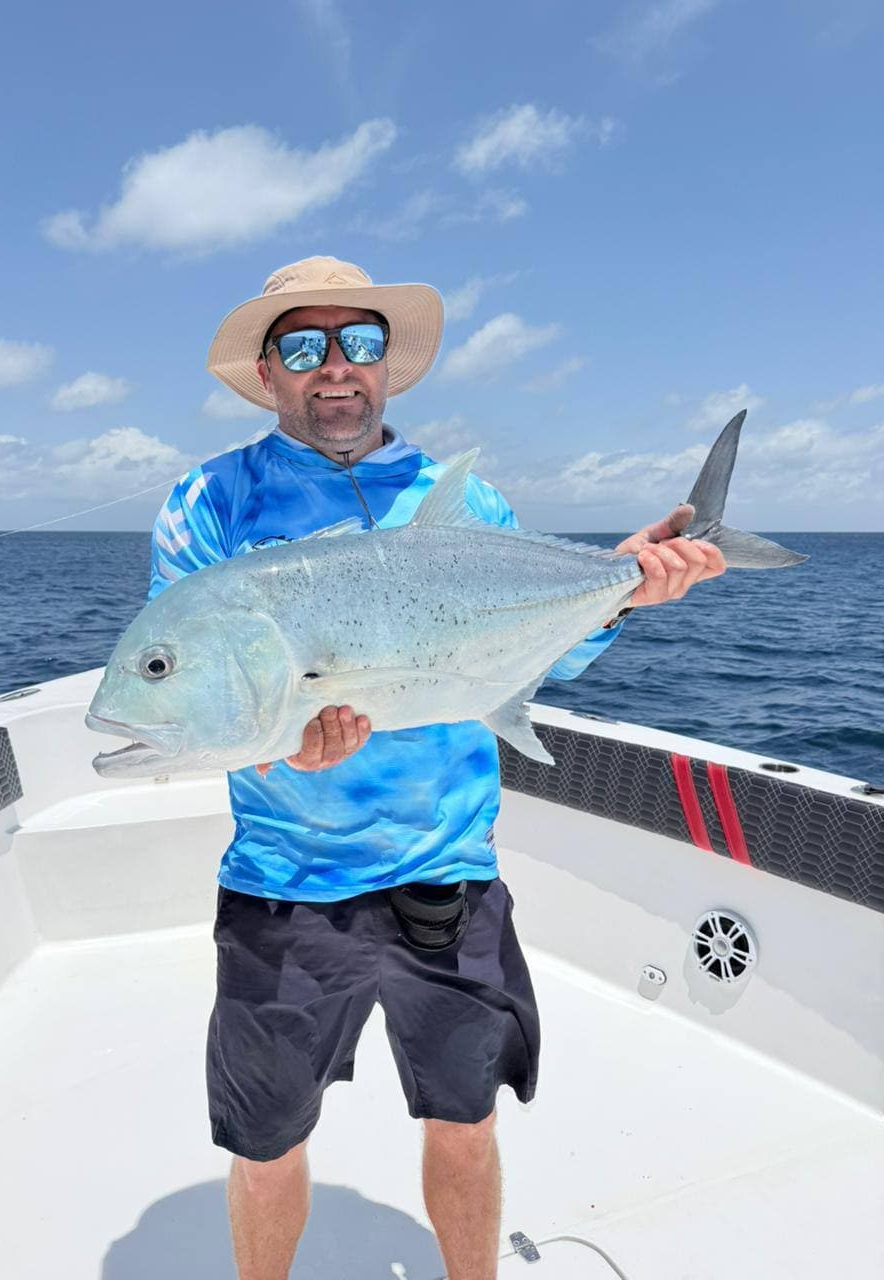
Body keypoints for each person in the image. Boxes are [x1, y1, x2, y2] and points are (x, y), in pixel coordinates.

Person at [149, 256, 725, 1280]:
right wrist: (285, 738)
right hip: (287, 887)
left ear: (390, 368)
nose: (337, 369)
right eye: (304, 345)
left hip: (450, 873)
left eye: (360, 343)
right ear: (269, 371)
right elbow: (202, 685)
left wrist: (628, 585)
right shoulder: (207, 506)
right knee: (268, 1143)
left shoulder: (472, 504)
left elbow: (533, 652)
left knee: (465, 1124)